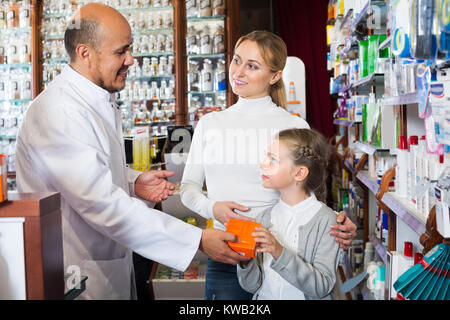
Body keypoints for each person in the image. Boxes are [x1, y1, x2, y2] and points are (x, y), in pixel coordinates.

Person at [15, 3, 249, 300]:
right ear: (85, 53)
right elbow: (102, 205)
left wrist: (133, 182)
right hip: (76, 274)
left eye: (131, 48)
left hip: (104, 263)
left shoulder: (94, 98)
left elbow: (89, 170)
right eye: (120, 52)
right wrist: (198, 240)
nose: (131, 60)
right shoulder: (59, 111)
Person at [180, 30, 357, 300]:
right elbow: (188, 187)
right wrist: (212, 207)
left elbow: (308, 196)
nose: (238, 72)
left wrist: (334, 224)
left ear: (275, 76)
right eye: (236, 61)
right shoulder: (209, 124)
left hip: (282, 256)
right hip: (228, 255)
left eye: (252, 66)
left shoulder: (294, 126)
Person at [237, 128, 340, 300]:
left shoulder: (326, 222)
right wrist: (245, 260)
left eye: (273, 159)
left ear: (299, 173)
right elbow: (251, 286)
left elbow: (322, 287)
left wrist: (279, 251)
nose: (263, 164)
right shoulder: (263, 219)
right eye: (266, 156)